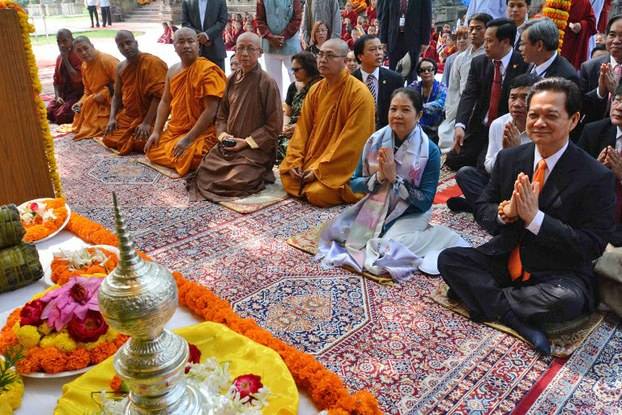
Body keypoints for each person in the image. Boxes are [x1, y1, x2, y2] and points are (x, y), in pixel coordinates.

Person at [438, 78, 616, 356]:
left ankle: (483, 297)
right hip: (505, 257)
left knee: (566, 300)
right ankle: (514, 317)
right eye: (534, 115)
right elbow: (483, 206)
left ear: (573, 120)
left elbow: (591, 245)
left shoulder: (595, 176)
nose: (539, 123)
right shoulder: (510, 158)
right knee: (449, 259)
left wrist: (536, 220)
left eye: (551, 116)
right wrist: (504, 213)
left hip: (558, 272)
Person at [317, 87, 468, 279]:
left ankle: (442, 237)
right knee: (341, 235)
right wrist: (380, 177)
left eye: (405, 110)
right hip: (376, 207)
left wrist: (395, 178)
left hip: (412, 211)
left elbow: (425, 202)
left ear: (419, 115)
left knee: (387, 251)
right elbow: (353, 184)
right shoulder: (375, 141)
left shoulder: (429, 151)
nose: (397, 115)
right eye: (393, 109)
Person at [279, 38, 375, 207]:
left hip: (339, 166)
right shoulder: (315, 90)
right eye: (320, 54)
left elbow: (352, 142)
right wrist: (295, 160)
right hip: (312, 158)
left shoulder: (359, 94)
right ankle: (306, 174)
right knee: (288, 176)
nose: (322, 60)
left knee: (317, 193)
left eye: (330, 56)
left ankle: (319, 180)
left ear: (345, 61)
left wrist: (318, 170)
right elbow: (302, 130)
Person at [187, 32, 282, 201]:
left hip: (254, 149)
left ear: (260, 52)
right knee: (203, 170)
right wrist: (223, 135)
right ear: (235, 51)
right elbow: (221, 115)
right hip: (229, 146)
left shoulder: (267, 82)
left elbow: (274, 126)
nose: (244, 53)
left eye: (250, 49)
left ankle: (260, 172)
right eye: (240, 48)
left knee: (236, 179)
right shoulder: (231, 79)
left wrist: (246, 142)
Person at [445, 17, 528, 171]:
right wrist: (460, 125)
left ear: (505, 42)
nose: (485, 46)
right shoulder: (479, 63)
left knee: (484, 166)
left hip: (504, 128)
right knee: (453, 159)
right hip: (481, 126)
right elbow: (469, 95)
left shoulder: (523, 65)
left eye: (489, 41)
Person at [447, 74, 537, 214]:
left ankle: (482, 208)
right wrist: (505, 155)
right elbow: (488, 166)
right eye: (513, 97)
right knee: (465, 174)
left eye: (524, 98)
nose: (517, 104)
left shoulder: (540, 128)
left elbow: (537, 173)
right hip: (499, 183)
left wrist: (515, 154)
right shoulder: (499, 124)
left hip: (526, 187)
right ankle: (492, 209)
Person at [144, 28, 227, 176]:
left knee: (195, 155)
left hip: (203, 131)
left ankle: (193, 156)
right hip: (178, 130)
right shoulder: (172, 71)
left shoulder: (208, 70)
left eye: (191, 41)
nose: (186, 46)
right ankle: (185, 157)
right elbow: (165, 101)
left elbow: (211, 110)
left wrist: (188, 139)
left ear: (198, 45)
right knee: (152, 149)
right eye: (181, 42)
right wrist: (156, 131)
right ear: (174, 46)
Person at [102, 31, 167, 154]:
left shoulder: (153, 63)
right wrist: (112, 118)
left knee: (143, 142)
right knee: (108, 138)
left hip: (150, 115)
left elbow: (160, 96)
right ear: (118, 48)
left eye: (128, 43)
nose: (126, 47)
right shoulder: (120, 67)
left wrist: (147, 123)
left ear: (136, 43)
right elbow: (116, 96)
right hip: (129, 115)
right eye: (121, 45)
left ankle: (151, 130)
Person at [437, 13, 491, 153]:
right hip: (460, 107)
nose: (473, 32)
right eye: (471, 29)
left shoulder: (491, 56)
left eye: (478, 28)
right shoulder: (460, 58)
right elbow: (453, 89)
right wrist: (453, 114)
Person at [578, 83, 622, 246]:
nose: (619, 107)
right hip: (592, 222)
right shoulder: (594, 131)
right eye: (617, 100)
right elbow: (573, 178)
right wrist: (596, 170)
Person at [71, 36, 119, 140]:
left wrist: (105, 93)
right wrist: (80, 102)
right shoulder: (84, 66)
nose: (84, 53)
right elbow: (87, 91)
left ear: (92, 46)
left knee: (104, 127)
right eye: (79, 51)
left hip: (113, 101)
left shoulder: (106, 60)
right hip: (95, 101)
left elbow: (124, 82)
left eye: (86, 48)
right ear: (76, 54)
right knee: (79, 116)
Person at [277, 51, 322, 163]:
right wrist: (286, 128)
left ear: (308, 68)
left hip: (313, 132)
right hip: (292, 132)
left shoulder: (320, 87)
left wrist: (299, 128)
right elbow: (288, 113)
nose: (293, 73)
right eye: (292, 70)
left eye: (296, 70)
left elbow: (321, 117)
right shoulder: (293, 87)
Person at [352, 34, 404, 129]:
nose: (378, 53)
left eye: (380, 48)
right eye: (372, 50)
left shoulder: (395, 79)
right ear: (360, 56)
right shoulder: (351, 80)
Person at [580, 14, 622, 126]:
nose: (616, 41)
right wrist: (600, 92)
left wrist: (616, 92)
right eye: (612, 35)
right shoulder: (589, 68)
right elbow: (579, 109)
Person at [255, 0, 302, 100]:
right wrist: (270, 37)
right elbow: (259, 19)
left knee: (296, 79)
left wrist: (283, 37)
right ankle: (276, 106)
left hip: (290, 46)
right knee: (273, 82)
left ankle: (297, 105)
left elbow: (297, 18)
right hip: (270, 47)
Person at [379, 0, 432, 83]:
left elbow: (427, 17)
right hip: (394, 38)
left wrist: (425, 41)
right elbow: (385, 17)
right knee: (393, 71)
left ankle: (411, 91)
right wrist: (383, 40)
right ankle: (394, 90)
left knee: (412, 73)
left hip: (413, 39)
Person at [519, 18, 580, 85]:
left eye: (522, 44)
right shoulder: (530, 63)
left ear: (539, 45)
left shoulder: (566, 77)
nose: (519, 48)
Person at [47, 29, 83, 125]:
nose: (61, 45)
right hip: (65, 95)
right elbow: (56, 82)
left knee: (61, 116)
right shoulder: (59, 58)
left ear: (72, 40)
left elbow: (77, 78)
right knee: (48, 111)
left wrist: (66, 59)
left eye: (64, 41)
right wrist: (57, 96)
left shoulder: (78, 55)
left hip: (79, 95)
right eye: (58, 42)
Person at [181, 0, 228, 70]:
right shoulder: (187, 2)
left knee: (217, 76)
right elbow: (185, 23)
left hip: (215, 49)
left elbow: (222, 21)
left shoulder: (220, 1)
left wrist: (207, 35)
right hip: (194, 51)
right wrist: (200, 36)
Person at [407, 59, 446, 143]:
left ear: (434, 71)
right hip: (415, 128)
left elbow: (441, 103)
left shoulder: (441, 87)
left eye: (430, 69)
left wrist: (419, 107)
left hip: (436, 129)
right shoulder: (414, 86)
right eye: (423, 70)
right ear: (419, 73)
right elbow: (406, 98)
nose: (426, 72)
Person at [561, 0, 597, 69]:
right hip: (552, 43)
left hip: (572, 46)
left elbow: (591, 23)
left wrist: (581, 25)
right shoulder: (553, 2)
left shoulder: (583, 2)